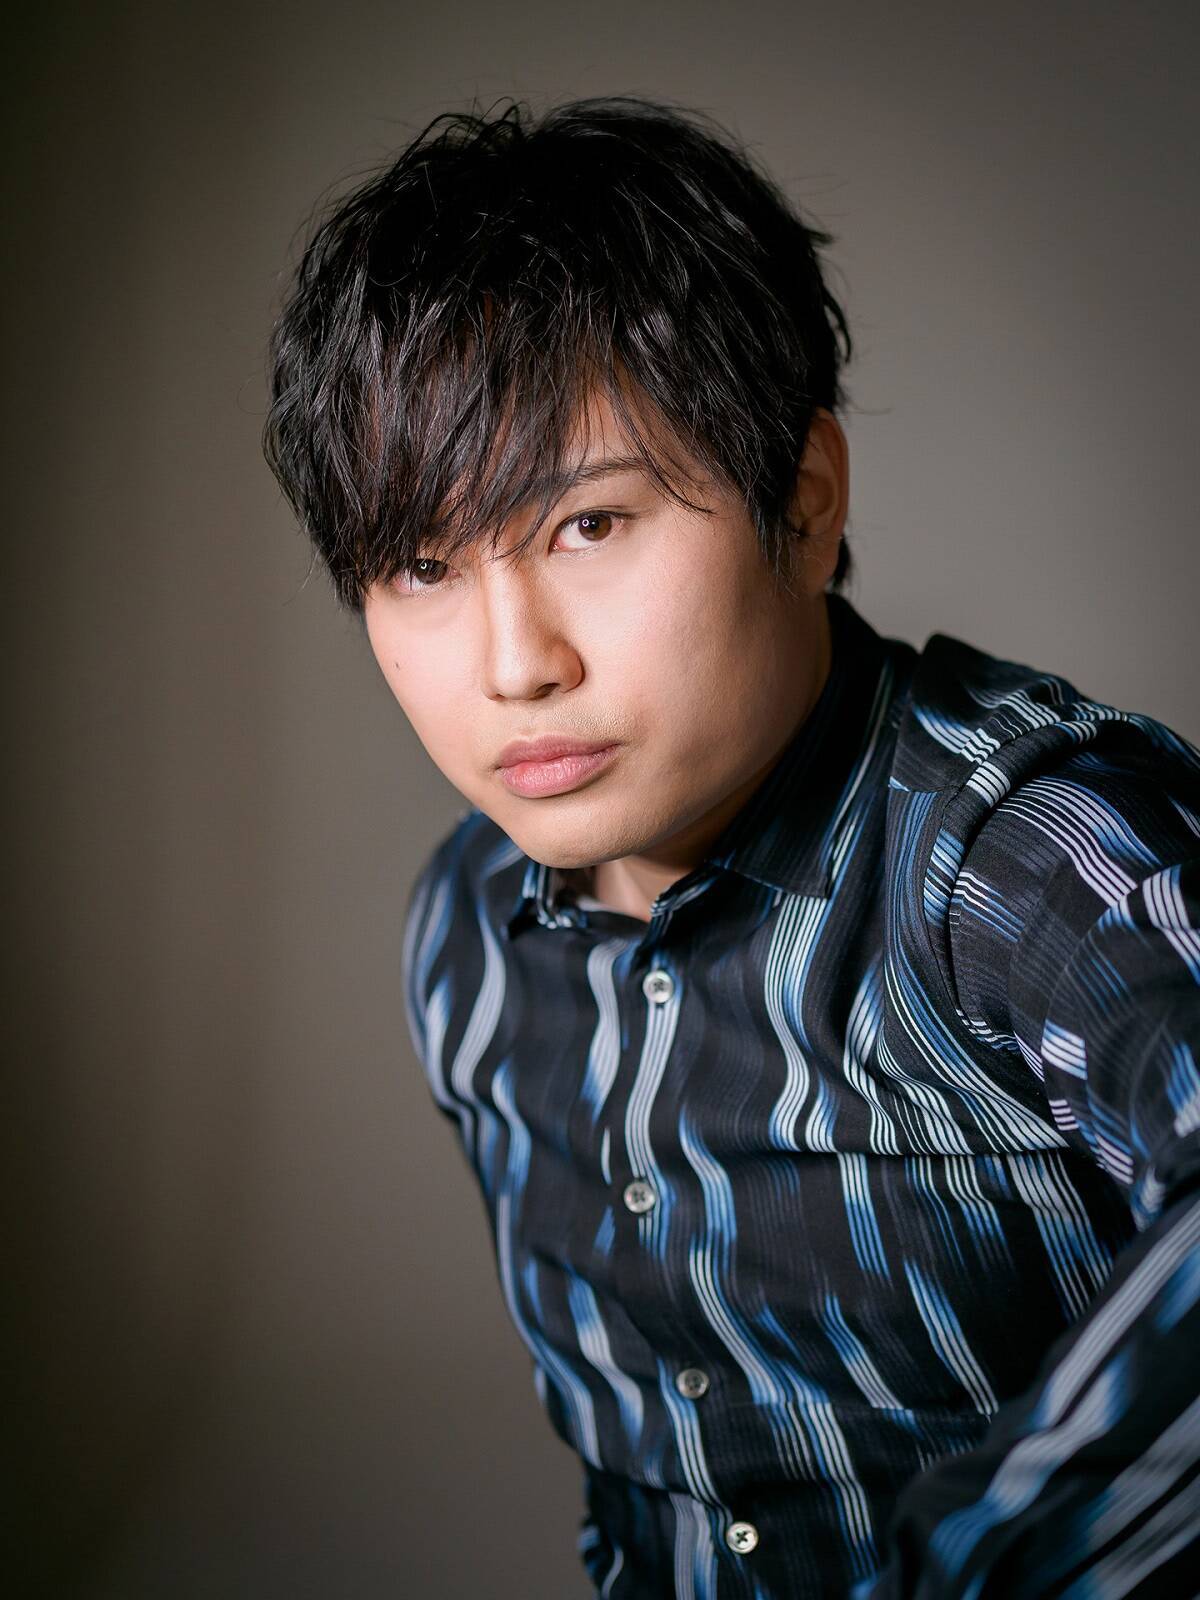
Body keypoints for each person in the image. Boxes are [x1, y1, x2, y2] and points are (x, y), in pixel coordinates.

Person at [262, 95, 1200, 1599]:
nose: (515, 665)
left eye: (587, 526)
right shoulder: (467, 936)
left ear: (805, 504)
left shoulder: (1026, 851)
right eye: (424, 564)